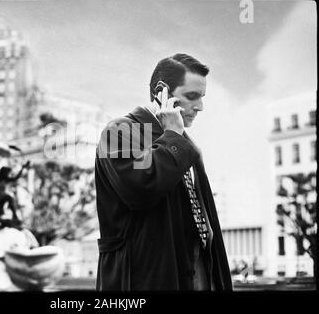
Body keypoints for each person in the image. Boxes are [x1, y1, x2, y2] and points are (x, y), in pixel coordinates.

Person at [95, 54, 232, 291]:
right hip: (142, 281)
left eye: (202, 97)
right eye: (191, 96)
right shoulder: (120, 131)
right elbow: (141, 187)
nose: (200, 107)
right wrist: (173, 137)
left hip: (195, 275)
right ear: (162, 92)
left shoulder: (185, 144)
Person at [0, 162, 30, 235]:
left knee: (5, 223)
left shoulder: (5, 180)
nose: (8, 175)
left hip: (2, 202)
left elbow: (16, 177)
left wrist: (23, 168)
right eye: (7, 173)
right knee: (3, 220)